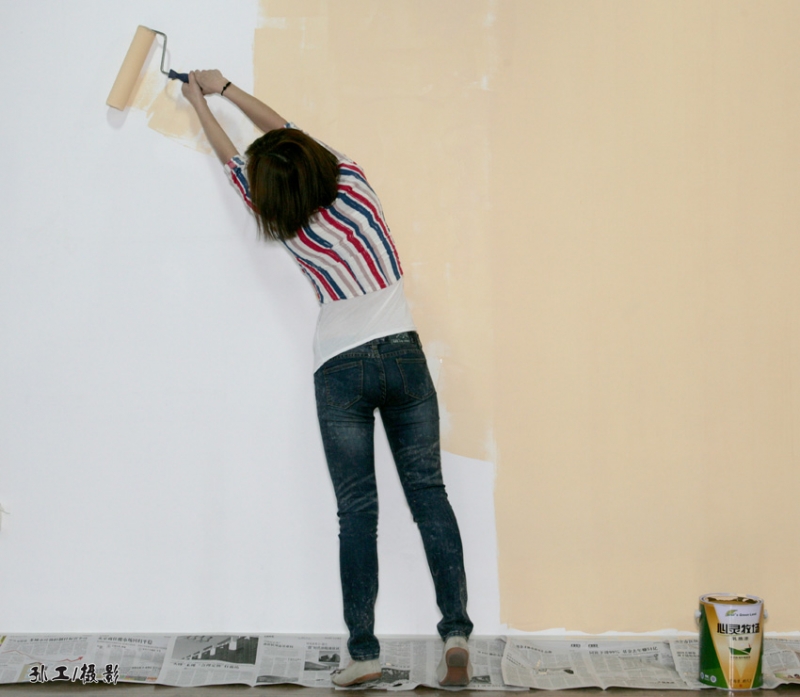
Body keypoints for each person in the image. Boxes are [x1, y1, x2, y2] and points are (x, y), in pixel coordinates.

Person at [181, 70, 474, 687]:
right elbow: (281, 129)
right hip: (403, 358)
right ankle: (455, 633)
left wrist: (194, 103)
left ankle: (363, 653)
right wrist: (224, 88)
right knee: (430, 497)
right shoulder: (353, 181)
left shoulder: (283, 218)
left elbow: (230, 156)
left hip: (338, 369)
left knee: (356, 515)